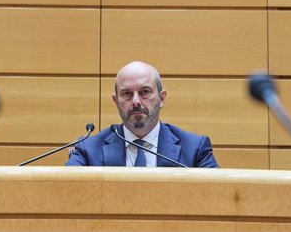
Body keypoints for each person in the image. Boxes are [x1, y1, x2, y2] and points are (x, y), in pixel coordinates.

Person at [66, 61, 219, 168]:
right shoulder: (88, 149)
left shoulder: (194, 149)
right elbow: (65, 194)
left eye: (145, 92)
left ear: (162, 98)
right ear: (116, 101)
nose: (136, 101)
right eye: (126, 94)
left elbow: (219, 196)